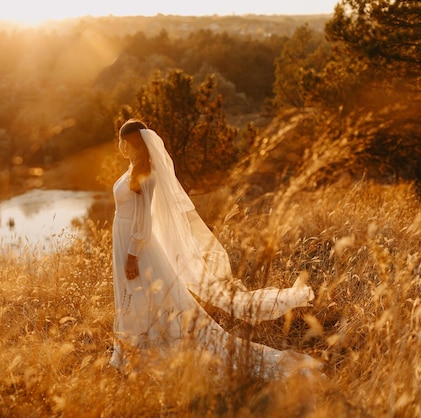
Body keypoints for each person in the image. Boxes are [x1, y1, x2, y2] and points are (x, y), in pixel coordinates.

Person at [110, 118, 320, 377]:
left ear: (130, 142)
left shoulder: (146, 175)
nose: (120, 145)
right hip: (124, 243)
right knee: (134, 295)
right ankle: (131, 348)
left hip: (137, 248)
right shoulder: (132, 170)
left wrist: (132, 255)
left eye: (122, 140)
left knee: (142, 295)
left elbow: (144, 221)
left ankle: (144, 349)